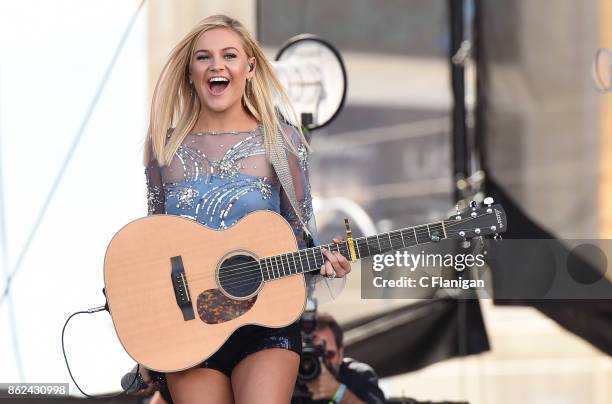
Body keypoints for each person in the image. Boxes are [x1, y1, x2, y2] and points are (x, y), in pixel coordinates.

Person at [130, 14, 352, 404]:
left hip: (265, 323)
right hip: (189, 331)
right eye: (204, 57)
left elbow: (299, 238)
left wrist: (324, 259)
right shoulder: (161, 148)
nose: (217, 65)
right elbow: (154, 246)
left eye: (229, 55)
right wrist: (149, 338)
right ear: (190, 72)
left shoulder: (283, 143)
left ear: (249, 68)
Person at [294, 313, 386, 404]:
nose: (320, 362)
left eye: (328, 354)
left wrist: (339, 393)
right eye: (309, 355)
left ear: (340, 354)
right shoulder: (287, 380)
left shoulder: (357, 376)